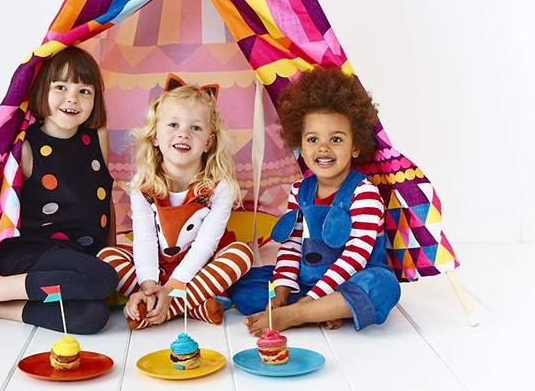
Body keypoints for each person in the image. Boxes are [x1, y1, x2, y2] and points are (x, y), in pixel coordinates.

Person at [0, 46, 119, 333]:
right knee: (103, 278)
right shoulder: (25, 147)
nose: (72, 98)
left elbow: (105, 201)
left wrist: (112, 253)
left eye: (85, 91)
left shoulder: (97, 137)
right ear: (42, 90)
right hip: (29, 253)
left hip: (75, 259)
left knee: (92, 316)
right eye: (61, 87)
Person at [228, 66, 401, 334]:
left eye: (336, 139)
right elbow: (291, 245)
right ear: (300, 143)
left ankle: (301, 314)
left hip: (352, 278)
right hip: (309, 283)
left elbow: (356, 256)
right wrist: (282, 291)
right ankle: (323, 311)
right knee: (247, 284)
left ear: (355, 146)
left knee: (384, 287)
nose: (323, 148)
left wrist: (306, 303)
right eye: (312, 139)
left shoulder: (363, 192)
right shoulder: (301, 189)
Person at [98, 76, 253, 328]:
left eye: (196, 128)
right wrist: (149, 284)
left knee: (241, 254)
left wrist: (171, 290)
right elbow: (145, 238)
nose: (184, 133)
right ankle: (181, 304)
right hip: (156, 266)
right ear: (155, 136)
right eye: (173, 124)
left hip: (201, 265)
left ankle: (166, 308)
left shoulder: (218, 186)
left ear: (208, 143)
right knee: (106, 257)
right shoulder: (144, 182)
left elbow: (206, 243)